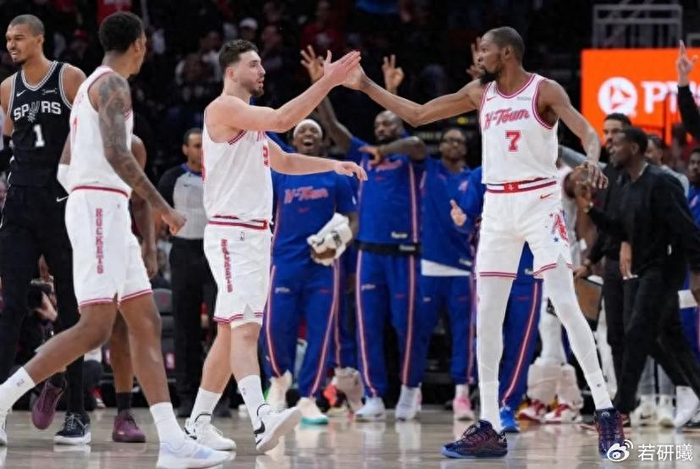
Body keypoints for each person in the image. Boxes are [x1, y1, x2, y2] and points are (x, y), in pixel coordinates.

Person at [343, 26, 624, 458]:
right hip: (497, 207)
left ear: (506, 53)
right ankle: (490, 423)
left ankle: (605, 411)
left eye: (485, 50)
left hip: (539, 203)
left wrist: (590, 159)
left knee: (565, 304)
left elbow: (586, 130)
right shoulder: (480, 92)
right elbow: (419, 114)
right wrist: (365, 85)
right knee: (487, 317)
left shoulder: (544, 90)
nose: (478, 57)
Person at [0, 12, 230, 469]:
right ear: (140, 44)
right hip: (100, 209)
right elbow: (116, 153)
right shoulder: (111, 85)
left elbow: (66, 162)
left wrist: (88, 200)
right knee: (95, 328)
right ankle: (3, 396)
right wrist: (160, 207)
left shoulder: (90, 84)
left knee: (145, 321)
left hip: (106, 207)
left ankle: (172, 441)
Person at [183, 39, 364, 453]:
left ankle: (197, 424)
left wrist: (334, 165)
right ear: (231, 72)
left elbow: (285, 162)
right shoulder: (224, 108)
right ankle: (262, 418)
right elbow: (284, 119)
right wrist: (329, 81)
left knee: (229, 334)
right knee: (246, 329)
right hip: (232, 233)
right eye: (253, 64)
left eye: (262, 63)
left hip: (253, 236)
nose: (262, 70)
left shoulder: (250, 126)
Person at [301, 46, 429, 421]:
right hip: (369, 254)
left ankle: (410, 389)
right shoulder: (362, 153)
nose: (382, 129)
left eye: (388, 125)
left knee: (408, 327)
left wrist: (385, 148)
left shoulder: (409, 156)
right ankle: (373, 394)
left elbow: (417, 143)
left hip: (405, 253)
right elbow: (334, 128)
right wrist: (323, 85)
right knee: (368, 327)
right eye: (378, 126)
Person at [0, 14, 89, 444]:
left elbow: (89, 134)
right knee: (11, 306)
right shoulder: (6, 88)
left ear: (39, 39)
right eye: (8, 39)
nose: (11, 45)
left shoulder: (69, 77)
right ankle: (0, 408)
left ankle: (77, 413)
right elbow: (11, 138)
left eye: (18, 38)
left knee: (71, 307)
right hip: (20, 201)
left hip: (60, 200)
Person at [576, 126, 700, 429]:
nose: (610, 147)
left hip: (666, 267)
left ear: (634, 148)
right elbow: (620, 230)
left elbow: (687, 230)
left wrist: (697, 274)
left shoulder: (662, 182)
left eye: (617, 143)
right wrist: (589, 208)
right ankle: (691, 389)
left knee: (635, 332)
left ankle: (621, 409)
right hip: (645, 269)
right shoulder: (626, 185)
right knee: (668, 338)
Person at [263, 118, 358, 425]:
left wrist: (337, 244)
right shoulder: (280, 174)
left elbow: (353, 220)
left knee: (321, 333)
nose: (307, 134)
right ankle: (278, 383)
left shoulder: (336, 175)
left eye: (314, 131)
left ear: (322, 142)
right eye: (302, 130)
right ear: (293, 140)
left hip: (323, 266)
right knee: (275, 327)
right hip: (284, 262)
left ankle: (309, 398)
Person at [450, 166, 543, 433]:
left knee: (521, 342)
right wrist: (461, 222)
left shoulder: (539, 171)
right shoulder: (483, 173)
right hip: (491, 266)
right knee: (486, 338)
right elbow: (467, 219)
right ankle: (488, 404)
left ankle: (507, 407)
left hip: (528, 267)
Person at [156, 128, 218, 418]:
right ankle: (187, 396)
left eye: (204, 145)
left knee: (219, 326)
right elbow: (157, 217)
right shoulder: (172, 178)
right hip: (183, 252)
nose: (201, 151)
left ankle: (220, 397)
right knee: (185, 328)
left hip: (214, 253)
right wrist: (152, 248)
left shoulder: (220, 174)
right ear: (185, 149)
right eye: (196, 146)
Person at [416, 128, 476, 421]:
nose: (454, 144)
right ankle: (413, 389)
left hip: (462, 266)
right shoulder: (428, 169)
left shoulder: (473, 178)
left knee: (463, 334)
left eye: (459, 141)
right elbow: (413, 143)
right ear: (440, 146)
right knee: (419, 332)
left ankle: (461, 394)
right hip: (429, 264)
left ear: (465, 148)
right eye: (448, 139)